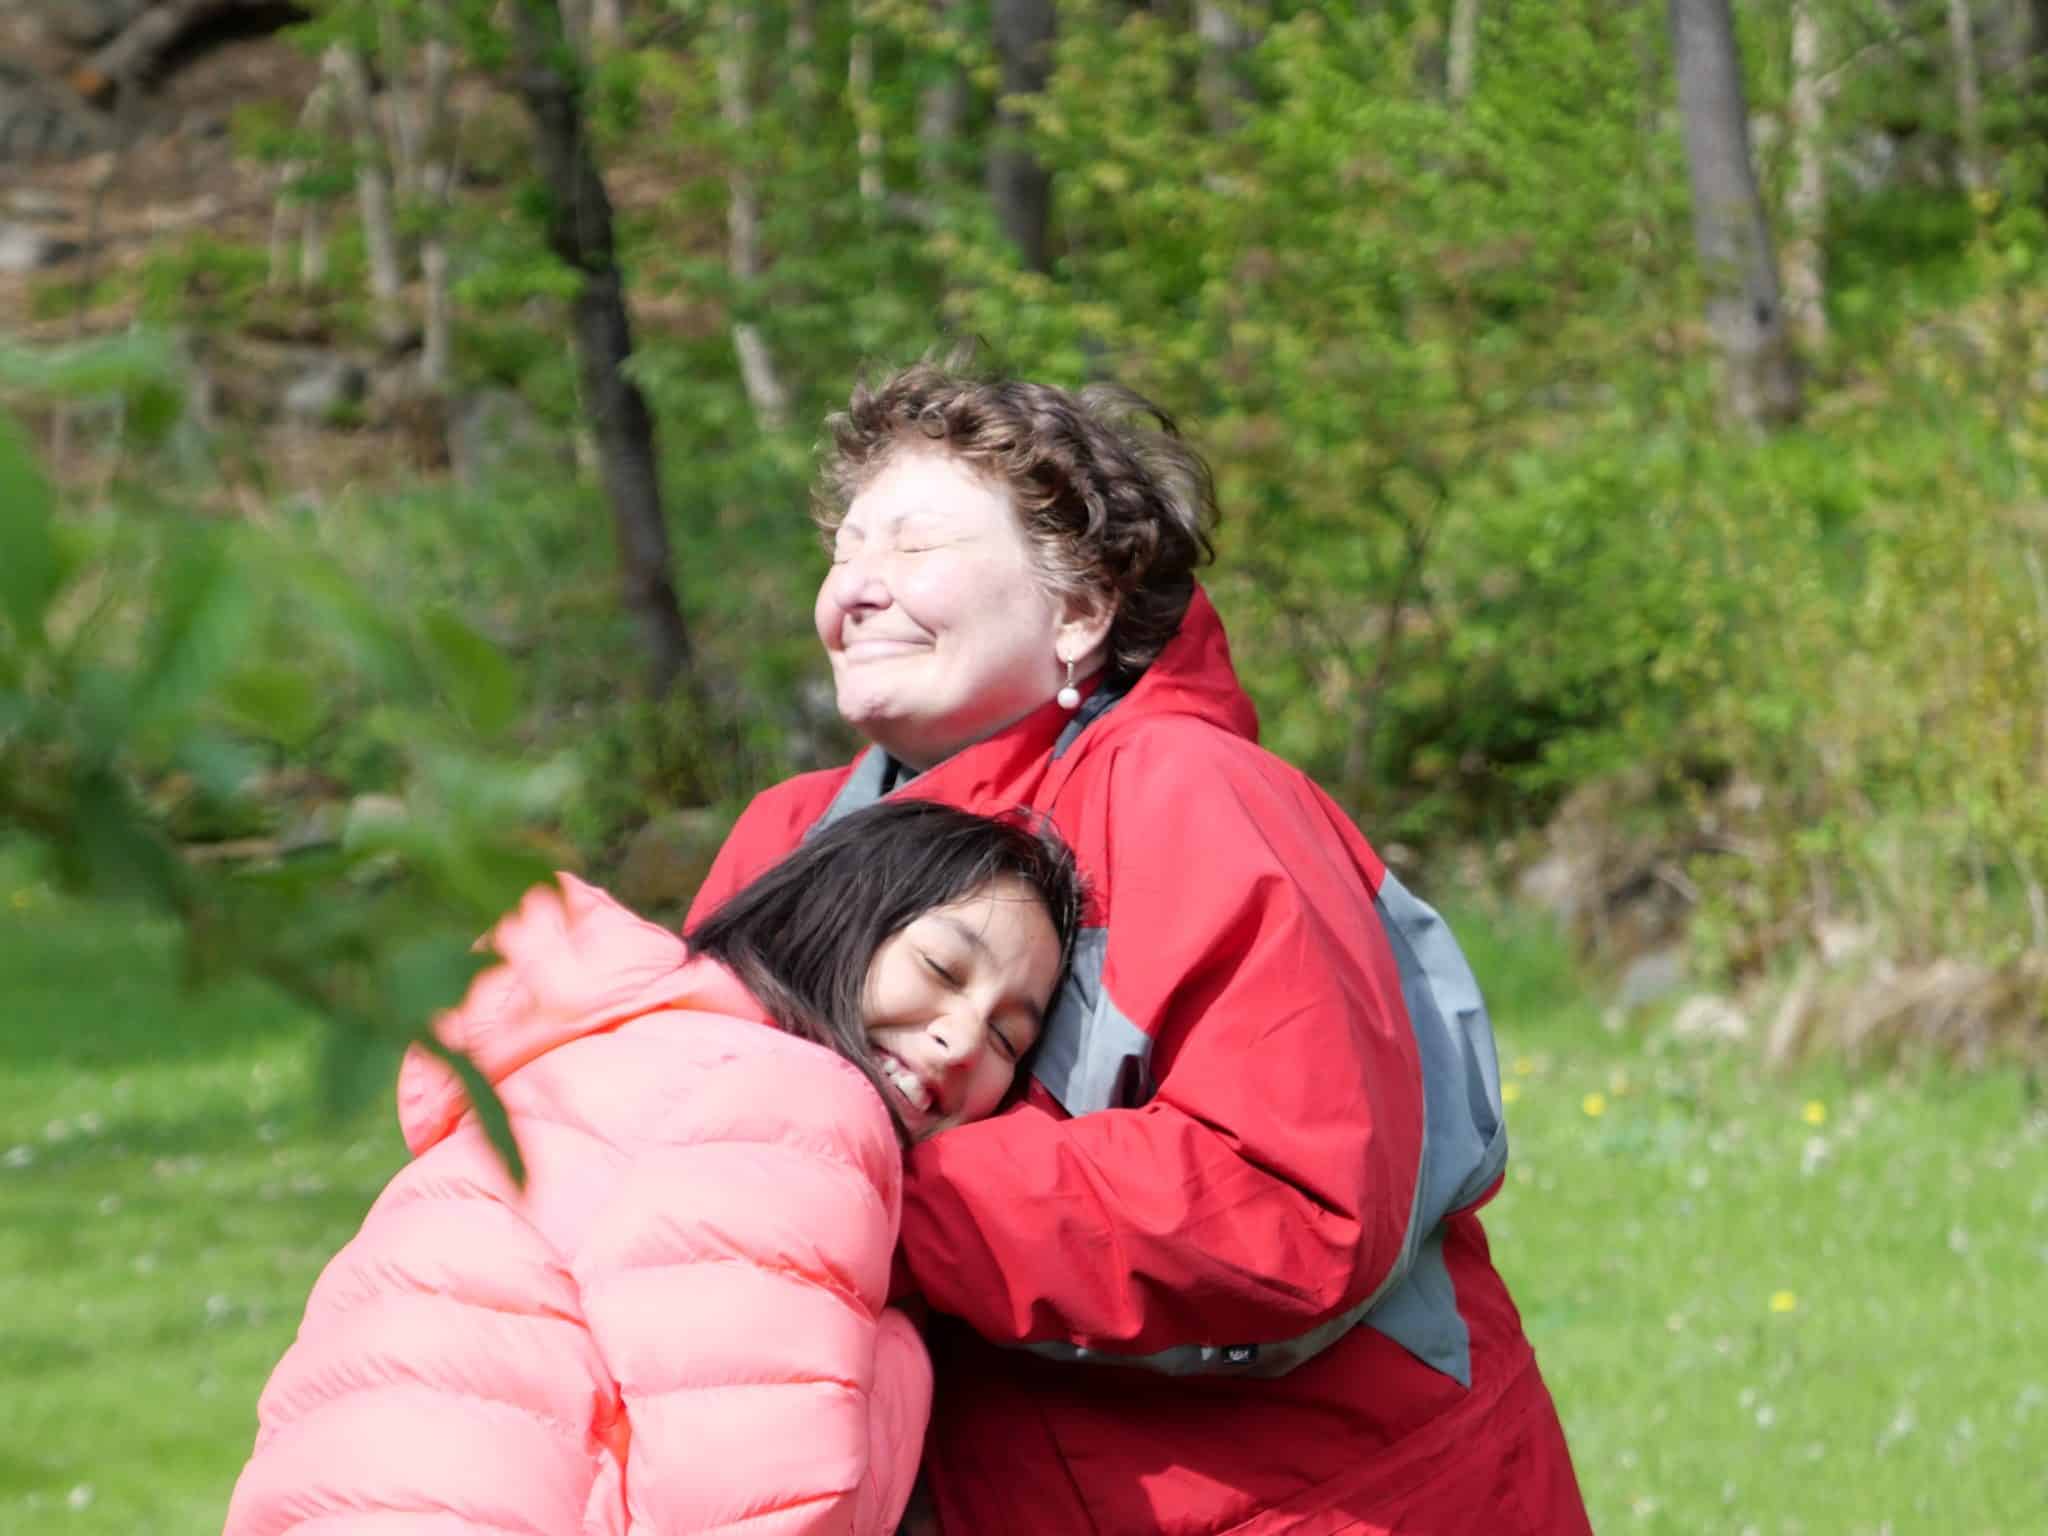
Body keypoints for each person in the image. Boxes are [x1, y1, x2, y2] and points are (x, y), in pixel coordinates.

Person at [684, 363, 1593, 1535]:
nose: (854, 588)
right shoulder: (786, 834)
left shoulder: (1193, 794)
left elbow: (1289, 1197)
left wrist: (861, 1198)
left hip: (1323, 1502)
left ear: (1078, 610)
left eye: (912, 546)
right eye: (845, 549)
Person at [223, 799, 1083, 1536]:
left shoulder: (613, 1054)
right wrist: (900, 1361)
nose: (961, 1039)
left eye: (1007, 1036)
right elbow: (761, 1504)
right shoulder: (794, 1105)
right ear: (840, 915)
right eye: (940, 968)